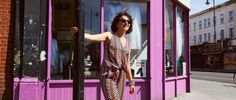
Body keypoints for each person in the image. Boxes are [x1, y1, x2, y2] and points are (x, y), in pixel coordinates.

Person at [71, 12, 135, 100]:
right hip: (109, 74)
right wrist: (79, 33)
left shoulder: (128, 43)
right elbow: (92, 37)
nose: (126, 23)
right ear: (117, 23)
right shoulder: (109, 36)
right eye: (123, 21)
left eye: (128, 21)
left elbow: (127, 64)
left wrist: (131, 82)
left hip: (121, 77)